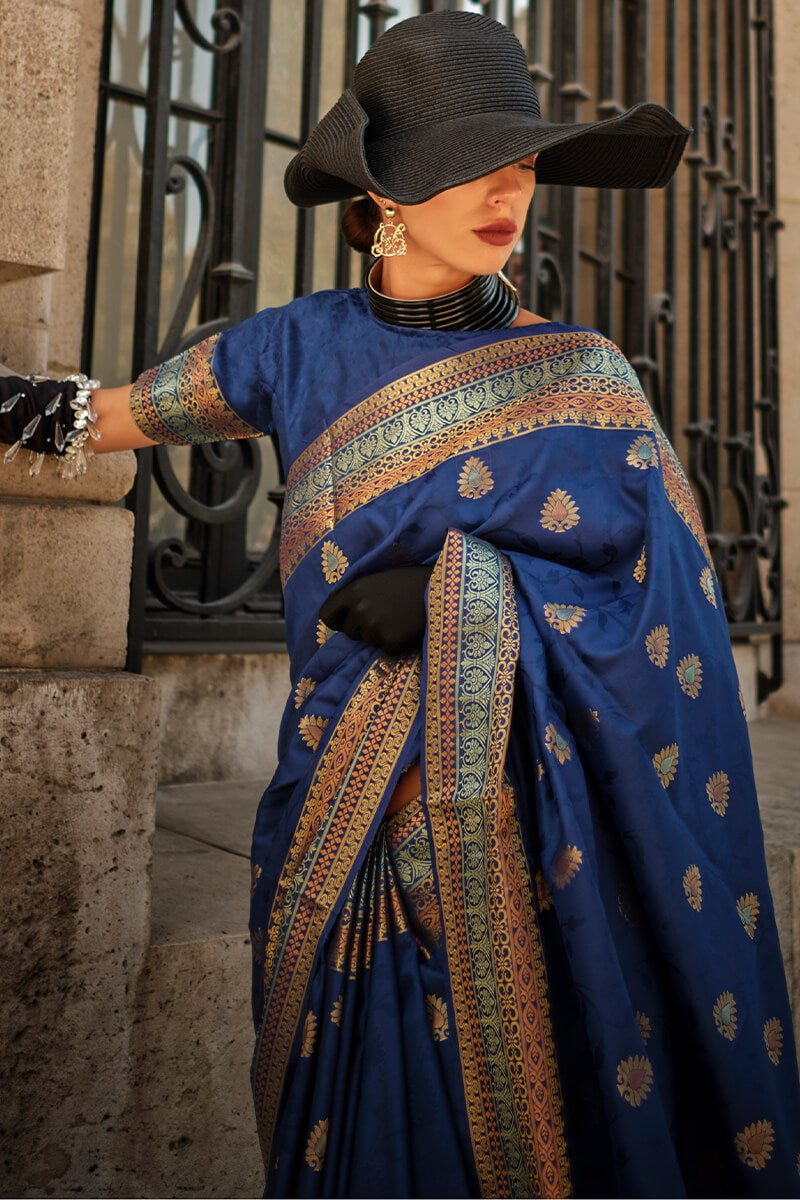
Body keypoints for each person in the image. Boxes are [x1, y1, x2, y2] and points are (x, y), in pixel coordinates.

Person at [2, 11, 799, 1198]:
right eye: (468, 167)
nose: (504, 194)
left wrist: (463, 593)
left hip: (538, 850)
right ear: (381, 196)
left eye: (520, 165)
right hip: (343, 815)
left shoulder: (584, 377)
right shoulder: (288, 350)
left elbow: (664, 608)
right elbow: (96, 419)